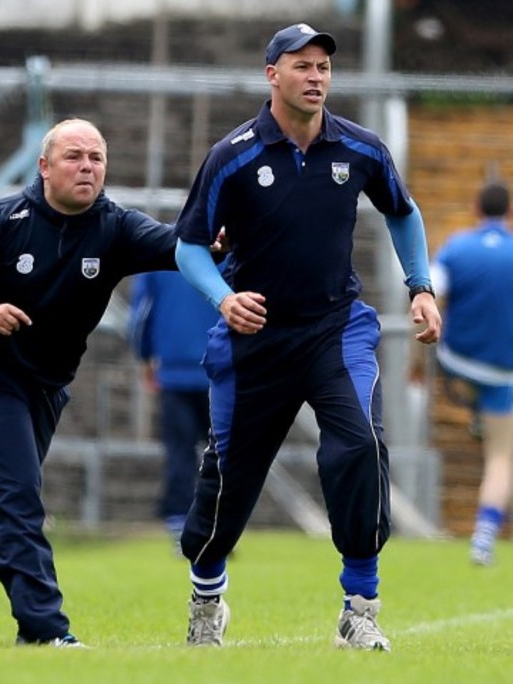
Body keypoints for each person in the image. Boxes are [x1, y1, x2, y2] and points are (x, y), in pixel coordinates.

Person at [172, 22, 442, 651]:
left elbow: (403, 212)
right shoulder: (232, 155)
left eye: (324, 66)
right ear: (273, 75)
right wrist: (224, 298)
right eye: (302, 66)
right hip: (255, 339)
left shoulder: (361, 148)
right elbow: (189, 248)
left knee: (358, 446)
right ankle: (207, 597)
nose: (316, 77)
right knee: (229, 481)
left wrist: (420, 286)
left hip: (335, 328)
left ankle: (360, 606)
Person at [0, 118, 182, 647]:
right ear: (44, 166)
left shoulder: (116, 227)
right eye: (74, 156)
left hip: (43, 385)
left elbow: (179, 247)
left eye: (96, 157)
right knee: (16, 497)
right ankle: (43, 631)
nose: (87, 166)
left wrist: (220, 240)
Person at [430, 179, 513, 567]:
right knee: (501, 457)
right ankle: (483, 539)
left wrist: (418, 362)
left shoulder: (456, 247)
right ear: (508, 212)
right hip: (502, 371)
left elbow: (429, 294)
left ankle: (474, 410)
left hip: (456, 363)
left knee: (459, 378)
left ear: (476, 208)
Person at [127, 271, 219, 550]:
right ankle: (217, 525)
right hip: (220, 372)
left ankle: (181, 526)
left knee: (180, 452)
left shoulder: (162, 255)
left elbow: (140, 316)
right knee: (223, 454)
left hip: (175, 373)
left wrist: (145, 357)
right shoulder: (231, 250)